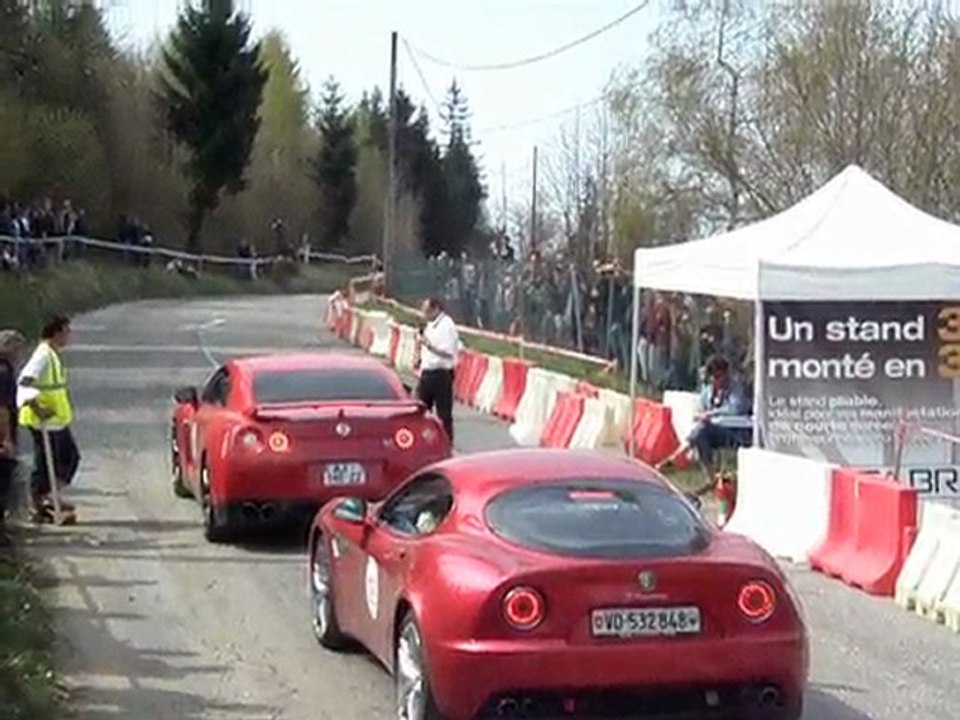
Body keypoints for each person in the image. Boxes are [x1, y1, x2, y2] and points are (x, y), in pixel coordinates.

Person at [17, 315, 79, 523]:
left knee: (68, 457)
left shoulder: (51, 354)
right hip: (43, 421)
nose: (68, 337)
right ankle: (37, 501)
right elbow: (24, 382)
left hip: (56, 420)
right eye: (66, 332)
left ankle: (48, 496)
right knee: (45, 462)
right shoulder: (42, 355)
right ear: (56, 333)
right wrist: (37, 406)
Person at [685, 355, 751, 491]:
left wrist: (712, 413)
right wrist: (701, 415)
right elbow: (701, 409)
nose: (716, 381)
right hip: (712, 430)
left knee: (700, 432)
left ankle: (682, 451)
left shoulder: (735, 388)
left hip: (732, 431)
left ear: (726, 373)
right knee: (701, 433)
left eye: (719, 376)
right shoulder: (708, 390)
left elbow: (736, 408)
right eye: (713, 377)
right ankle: (711, 476)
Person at [416, 298, 459, 443]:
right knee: (419, 410)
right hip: (427, 373)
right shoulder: (429, 325)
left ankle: (447, 442)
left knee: (444, 413)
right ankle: (420, 439)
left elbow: (448, 352)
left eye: (427, 311)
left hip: (441, 373)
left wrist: (429, 345)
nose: (424, 315)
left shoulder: (447, 326)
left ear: (436, 309)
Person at [0, 330, 26, 544]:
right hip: (1, 438)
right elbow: (2, 409)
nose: (21, 354)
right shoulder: (3, 373)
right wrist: (7, 439)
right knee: (3, 482)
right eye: (18, 349)